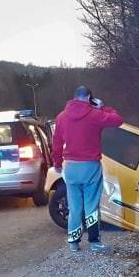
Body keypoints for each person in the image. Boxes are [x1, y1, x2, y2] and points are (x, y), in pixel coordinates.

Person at [52, 86, 123, 252]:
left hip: (70, 167)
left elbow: (56, 143)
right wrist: (103, 107)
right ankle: (94, 242)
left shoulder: (61, 117)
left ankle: (74, 243)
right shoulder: (96, 115)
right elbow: (118, 120)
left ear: (74, 98)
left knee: (75, 207)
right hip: (90, 166)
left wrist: (56, 163)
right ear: (90, 97)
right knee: (91, 206)